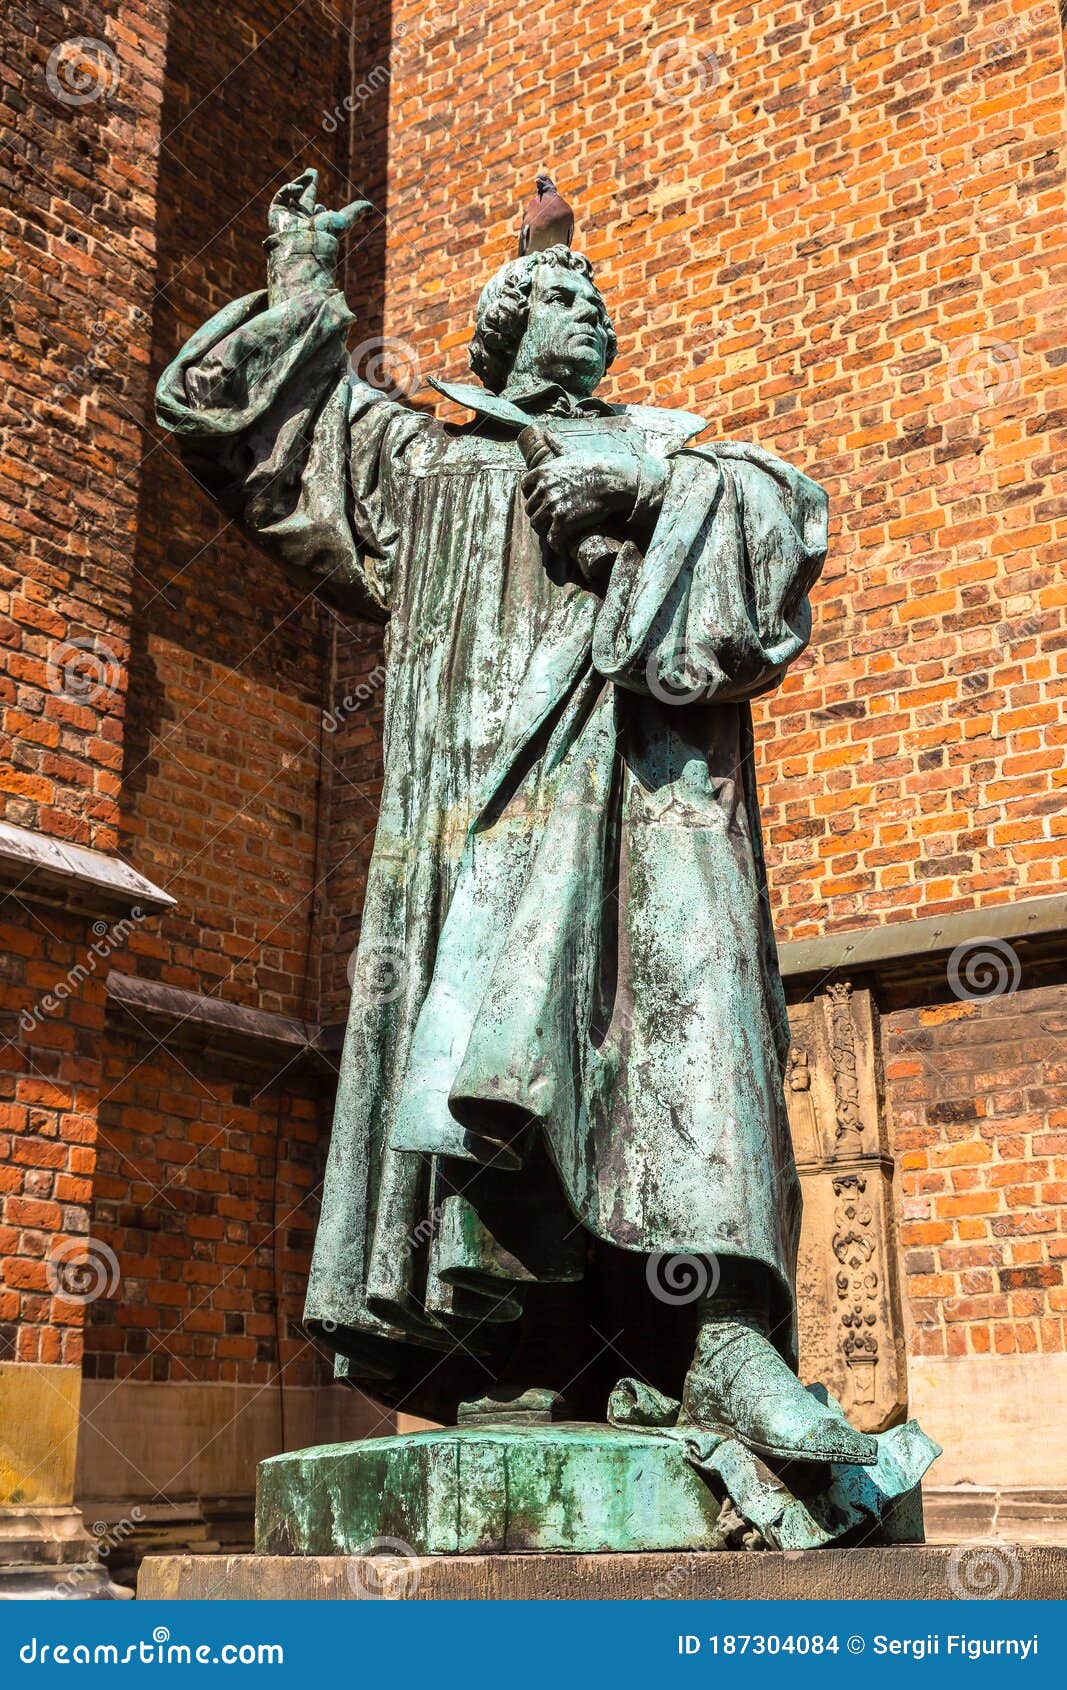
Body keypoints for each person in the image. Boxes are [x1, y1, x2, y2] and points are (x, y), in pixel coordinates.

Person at [158, 168, 875, 1466]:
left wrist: (643, 499)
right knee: (497, 1071)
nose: (588, 308)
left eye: (596, 294)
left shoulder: (670, 457)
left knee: (695, 1026)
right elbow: (260, 433)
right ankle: (523, 1347)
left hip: (647, 828)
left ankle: (718, 1334)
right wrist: (306, 287)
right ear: (501, 330)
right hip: (478, 838)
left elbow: (779, 517)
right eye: (558, 293)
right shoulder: (426, 468)